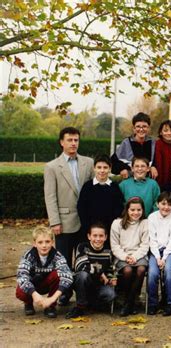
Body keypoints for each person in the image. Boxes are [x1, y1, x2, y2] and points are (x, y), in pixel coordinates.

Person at [44, 126, 93, 305]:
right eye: (70, 140)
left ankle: (83, 294)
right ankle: (63, 294)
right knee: (63, 261)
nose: (73, 143)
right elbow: (50, 197)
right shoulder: (52, 167)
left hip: (85, 221)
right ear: (61, 142)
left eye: (76, 140)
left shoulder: (88, 163)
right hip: (63, 222)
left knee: (83, 260)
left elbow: (98, 184)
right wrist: (54, 221)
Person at [16, 226, 73, 318]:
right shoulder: (29, 256)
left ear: (52, 243)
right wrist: (34, 294)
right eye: (40, 242)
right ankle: (28, 303)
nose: (44, 245)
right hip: (33, 284)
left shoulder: (57, 256)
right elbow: (21, 276)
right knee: (20, 291)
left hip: (47, 284)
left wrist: (52, 298)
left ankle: (50, 306)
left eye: (47, 242)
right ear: (34, 243)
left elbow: (68, 277)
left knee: (58, 275)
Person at [66, 224, 117, 319]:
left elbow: (110, 269)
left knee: (111, 295)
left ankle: (90, 303)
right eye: (95, 236)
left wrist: (111, 278)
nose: (98, 239)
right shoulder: (82, 247)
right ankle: (80, 307)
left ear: (106, 237)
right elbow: (80, 265)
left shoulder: (108, 251)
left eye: (101, 236)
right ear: (89, 236)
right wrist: (100, 273)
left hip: (98, 285)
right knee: (83, 275)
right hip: (83, 282)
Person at [110, 197, 149, 316]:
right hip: (122, 255)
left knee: (141, 269)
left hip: (139, 254)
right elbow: (115, 245)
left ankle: (130, 302)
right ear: (127, 210)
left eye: (139, 210)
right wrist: (126, 257)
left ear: (143, 210)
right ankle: (128, 299)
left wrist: (135, 257)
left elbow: (145, 244)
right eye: (132, 210)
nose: (136, 213)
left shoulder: (145, 223)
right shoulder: (117, 223)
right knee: (127, 270)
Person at [147, 191, 171, 316]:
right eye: (163, 204)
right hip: (155, 250)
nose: (166, 207)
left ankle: (170, 303)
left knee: (169, 271)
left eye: (169, 204)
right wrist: (157, 257)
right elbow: (152, 239)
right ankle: (152, 304)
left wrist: (165, 257)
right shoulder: (152, 217)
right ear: (157, 204)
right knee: (152, 273)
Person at [77, 154, 124, 241]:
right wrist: (88, 227)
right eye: (99, 167)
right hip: (90, 231)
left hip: (109, 231)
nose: (102, 170)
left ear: (110, 169)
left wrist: (110, 225)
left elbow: (119, 208)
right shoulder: (87, 186)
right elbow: (81, 208)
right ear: (94, 168)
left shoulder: (114, 187)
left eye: (105, 167)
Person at [112, 112, 157, 179]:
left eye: (144, 126)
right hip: (131, 181)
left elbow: (158, 161)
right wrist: (122, 168)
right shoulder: (126, 143)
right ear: (134, 128)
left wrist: (154, 166)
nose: (141, 129)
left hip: (149, 183)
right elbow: (113, 162)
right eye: (138, 126)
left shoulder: (153, 143)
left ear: (148, 128)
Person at [154, 119, 171, 188]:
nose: (169, 133)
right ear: (160, 132)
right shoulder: (157, 144)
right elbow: (157, 163)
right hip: (160, 180)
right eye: (165, 131)